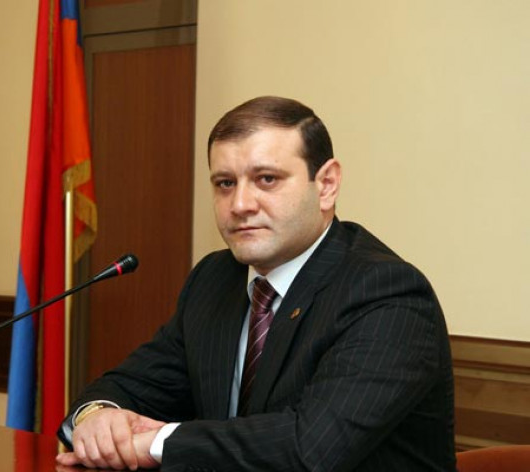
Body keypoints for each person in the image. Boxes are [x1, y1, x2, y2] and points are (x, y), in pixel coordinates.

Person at [55, 96, 456, 471]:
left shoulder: (387, 293)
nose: (240, 205)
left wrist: (158, 442)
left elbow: (310, 448)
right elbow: (134, 385)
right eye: (225, 183)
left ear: (327, 185)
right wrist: (98, 416)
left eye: (266, 179)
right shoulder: (214, 279)